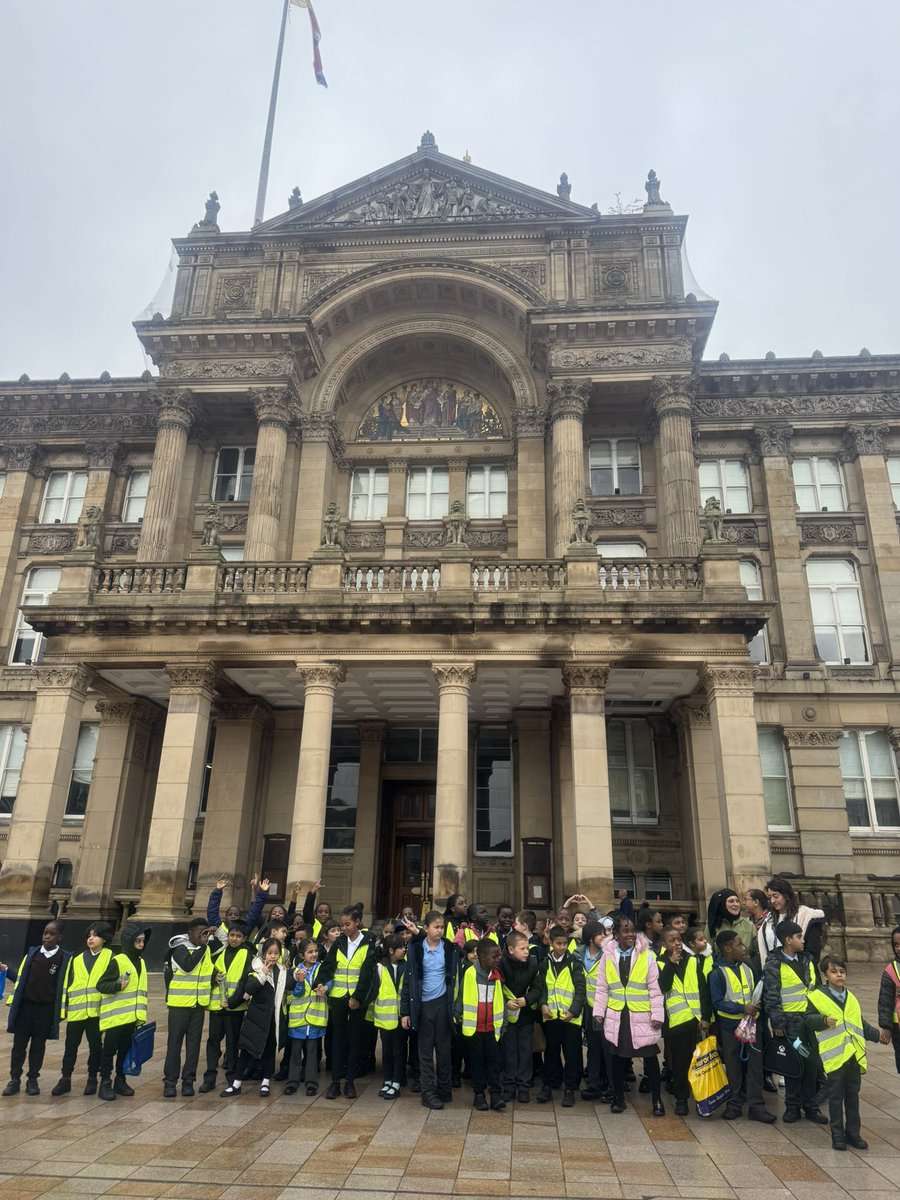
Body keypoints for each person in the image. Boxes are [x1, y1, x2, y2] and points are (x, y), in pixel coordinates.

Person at [805, 954, 889, 1150]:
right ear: (825, 975)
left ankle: (853, 1133)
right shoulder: (817, 996)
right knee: (835, 1097)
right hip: (834, 1058)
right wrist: (823, 1021)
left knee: (853, 1095)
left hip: (853, 1055)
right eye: (834, 972)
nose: (839, 975)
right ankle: (837, 1135)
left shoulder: (850, 997)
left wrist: (879, 1036)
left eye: (842, 972)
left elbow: (859, 1024)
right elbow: (808, 1020)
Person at [593, 913, 665, 1116]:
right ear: (615, 934)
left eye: (633, 930)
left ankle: (657, 1101)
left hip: (642, 1014)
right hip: (617, 1015)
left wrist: (658, 1015)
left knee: (650, 1057)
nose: (631, 934)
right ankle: (618, 1098)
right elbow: (601, 987)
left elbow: (655, 989)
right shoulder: (607, 956)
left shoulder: (647, 955)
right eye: (625, 931)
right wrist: (599, 1011)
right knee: (617, 1058)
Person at [763, 919, 827, 1124]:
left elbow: (816, 990)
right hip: (791, 1025)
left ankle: (811, 1105)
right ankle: (792, 1106)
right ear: (788, 940)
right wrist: (778, 1023)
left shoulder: (807, 960)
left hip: (810, 1022)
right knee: (794, 1063)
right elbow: (771, 995)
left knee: (811, 1064)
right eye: (799, 936)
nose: (803, 940)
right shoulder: (774, 963)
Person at [709, 929, 775, 1123]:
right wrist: (741, 1007)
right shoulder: (717, 973)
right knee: (733, 1066)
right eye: (739, 945)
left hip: (752, 1025)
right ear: (728, 949)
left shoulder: (749, 967)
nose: (743, 948)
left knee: (755, 1065)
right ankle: (734, 1103)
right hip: (730, 1027)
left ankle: (756, 1105)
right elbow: (717, 1002)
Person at [1, 921, 69, 1097]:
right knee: (19, 1046)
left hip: (45, 1010)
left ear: (59, 936)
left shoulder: (63, 958)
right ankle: (15, 1079)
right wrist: (7, 970)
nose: (47, 936)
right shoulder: (32, 954)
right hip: (25, 1008)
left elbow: (64, 986)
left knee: (38, 1047)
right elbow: (21, 978)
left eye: (52, 933)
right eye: (45, 933)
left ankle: (33, 1079)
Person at [317, 905, 376, 1099]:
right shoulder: (339, 942)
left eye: (348, 924)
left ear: (358, 922)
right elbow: (328, 966)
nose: (344, 928)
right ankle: (335, 1081)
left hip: (357, 1000)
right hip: (338, 997)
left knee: (354, 1040)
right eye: (342, 925)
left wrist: (358, 998)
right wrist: (320, 983)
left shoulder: (369, 942)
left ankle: (350, 1081)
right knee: (337, 1040)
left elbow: (367, 974)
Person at [400, 910, 458, 1110]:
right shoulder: (416, 949)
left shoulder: (450, 948)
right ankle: (428, 1092)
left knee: (444, 1049)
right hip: (423, 1005)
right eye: (436, 927)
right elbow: (408, 982)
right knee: (424, 1051)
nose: (440, 931)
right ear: (426, 929)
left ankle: (444, 1088)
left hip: (443, 1004)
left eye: (442, 927)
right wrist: (405, 1011)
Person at [52, 921, 114, 1096]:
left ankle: (92, 1078)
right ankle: (65, 1079)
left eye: (95, 935)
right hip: (77, 1011)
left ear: (105, 939)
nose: (91, 938)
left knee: (95, 1047)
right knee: (70, 1046)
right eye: (89, 935)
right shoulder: (77, 959)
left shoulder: (111, 957)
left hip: (97, 1011)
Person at [220, 937, 287, 1097]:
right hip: (255, 1018)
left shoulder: (282, 971)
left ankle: (265, 1082)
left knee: (269, 1050)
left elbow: (289, 983)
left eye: (276, 953)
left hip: (272, 1018)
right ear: (263, 954)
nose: (273, 956)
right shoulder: (255, 968)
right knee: (246, 1049)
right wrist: (262, 974)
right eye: (269, 952)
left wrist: (298, 978)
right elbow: (250, 988)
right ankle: (236, 1084)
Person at [657, 925, 712, 1116]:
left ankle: (702, 1096)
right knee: (680, 1062)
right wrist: (671, 963)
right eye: (672, 941)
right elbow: (663, 987)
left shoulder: (693, 961)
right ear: (664, 944)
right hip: (677, 1021)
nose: (677, 943)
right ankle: (682, 1099)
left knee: (700, 1061)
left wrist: (706, 1016)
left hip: (696, 1019)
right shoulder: (660, 963)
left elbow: (703, 990)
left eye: (679, 939)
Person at [95, 923, 151, 1102]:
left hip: (132, 1017)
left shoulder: (141, 962)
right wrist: (118, 985)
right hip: (115, 1017)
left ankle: (120, 1080)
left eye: (143, 941)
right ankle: (105, 1082)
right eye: (138, 941)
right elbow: (101, 985)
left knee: (125, 1050)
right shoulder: (118, 960)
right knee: (109, 1050)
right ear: (129, 941)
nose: (141, 944)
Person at [200, 919, 253, 1093]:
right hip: (217, 1006)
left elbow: (245, 980)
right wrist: (214, 976)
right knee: (213, 1042)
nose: (234, 939)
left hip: (234, 1008)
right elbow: (208, 970)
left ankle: (232, 1078)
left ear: (243, 938)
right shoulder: (219, 952)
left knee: (232, 1044)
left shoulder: (247, 955)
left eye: (238, 936)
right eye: (232, 935)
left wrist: (232, 1002)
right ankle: (209, 1077)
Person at [163, 917, 213, 1098]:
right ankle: (170, 1082)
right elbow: (188, 966)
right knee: (174, 1044)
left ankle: (188, 1081)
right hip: (179, 1005)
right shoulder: (180, 948)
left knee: (193, 1045)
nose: (204, 937)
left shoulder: (205, 950)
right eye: (201, 933)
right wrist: (203, 948)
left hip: (198, 1005)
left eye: (207, 933)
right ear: (190, 933)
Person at [537, 924, 586, 1107]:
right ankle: (549, 1084)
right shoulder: (544, 963)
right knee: (551, 1052)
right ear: (551, 943)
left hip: (571, 1018)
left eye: (565, 943)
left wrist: (573, 1010)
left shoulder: (574, 962)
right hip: (551, 1017)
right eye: (558, 943)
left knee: (572, 1053)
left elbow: (580, 990)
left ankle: (571, 1088)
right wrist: (542, 1004)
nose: (562, 947)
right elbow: (541, 987)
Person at [456, 938, 507, 1110]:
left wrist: (503, 1022)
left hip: (492, 1029)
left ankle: (495, 1094)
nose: (497, 959)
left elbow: (501, 999)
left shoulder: (497, 975)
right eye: (494, 956)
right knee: (476, 1063)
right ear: (482, 957)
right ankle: (479, 1094)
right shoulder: (470, 973)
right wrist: (457, 1014)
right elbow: (461, 996)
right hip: (474, 1029)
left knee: (494, 1062)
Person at [499, 929, 541, 1102]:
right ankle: (509, 1085)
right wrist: (505, 1003)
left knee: (525, 1051)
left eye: (527, 948)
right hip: (507, 1016)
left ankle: (524, 1086)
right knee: (509, 1050)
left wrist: (527, 999)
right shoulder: (501, 964)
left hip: (525, 1015)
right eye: (522, 949)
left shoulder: (532, 963)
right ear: (510, 950)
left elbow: (538, 988)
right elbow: (496, 988)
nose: (526, 952)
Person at [285, 937, 330, 1097]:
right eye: (310, 952)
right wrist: (299, 981)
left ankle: (311, 1083)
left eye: (316, 951)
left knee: (312, 1053)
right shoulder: (296, 971)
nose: (314, 954)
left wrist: (325, 988)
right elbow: (296, 993)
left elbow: (329, 983)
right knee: (295, 1052)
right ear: (302, 954)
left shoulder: (322, 968)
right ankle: (292, 1081)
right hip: (298, 1019)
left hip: (315, 1019)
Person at [577, 920, 612, 1102]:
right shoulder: (577, 955)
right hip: (587, 1008)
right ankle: (593, 1083)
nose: (604, 937)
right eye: (601, 934)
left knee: (606, 1047)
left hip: (604, 1008)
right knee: (593, 1047)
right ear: (591, 938)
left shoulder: (608, 955)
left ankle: (610, 1083)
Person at [370, 934, 408, 1099]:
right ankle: (388, 1079)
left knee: (399, 1051)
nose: (404, 950)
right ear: (391, 950)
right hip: (384, 1018)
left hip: (401, 1017)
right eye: (401, 947)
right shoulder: (379, 967)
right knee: (387, 1051)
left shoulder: (406, 966)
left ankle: (397, 1081)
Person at [758, 877, 825, 967]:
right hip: (775, 973)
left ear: (786, 895)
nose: (773, 901)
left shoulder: (806, 915)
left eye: (776, 896)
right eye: (770, 897)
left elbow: (812, 953)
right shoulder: (768, 921)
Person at [207, 873, 269, 945]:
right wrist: (218, 890)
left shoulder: (245, 928)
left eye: (236, 915)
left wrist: (262, 893)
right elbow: (212, 911)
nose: (233, 916)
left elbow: (254, 912)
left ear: (240, 917)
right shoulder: (219, 928)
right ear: (225, 917)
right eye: (230, 914)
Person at [877, 925, 900, 1074]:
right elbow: (885, 1000)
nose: (898, 948)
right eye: (896, 945)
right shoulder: (891, 970)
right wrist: (886, 1026)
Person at [707, 889, 756, 954]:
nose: (736, 904)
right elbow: (708, 951)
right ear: (722, 904)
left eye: (737, 901)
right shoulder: (713, 925)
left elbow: (757, 951)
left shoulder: (749, 925)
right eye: (731, 901)